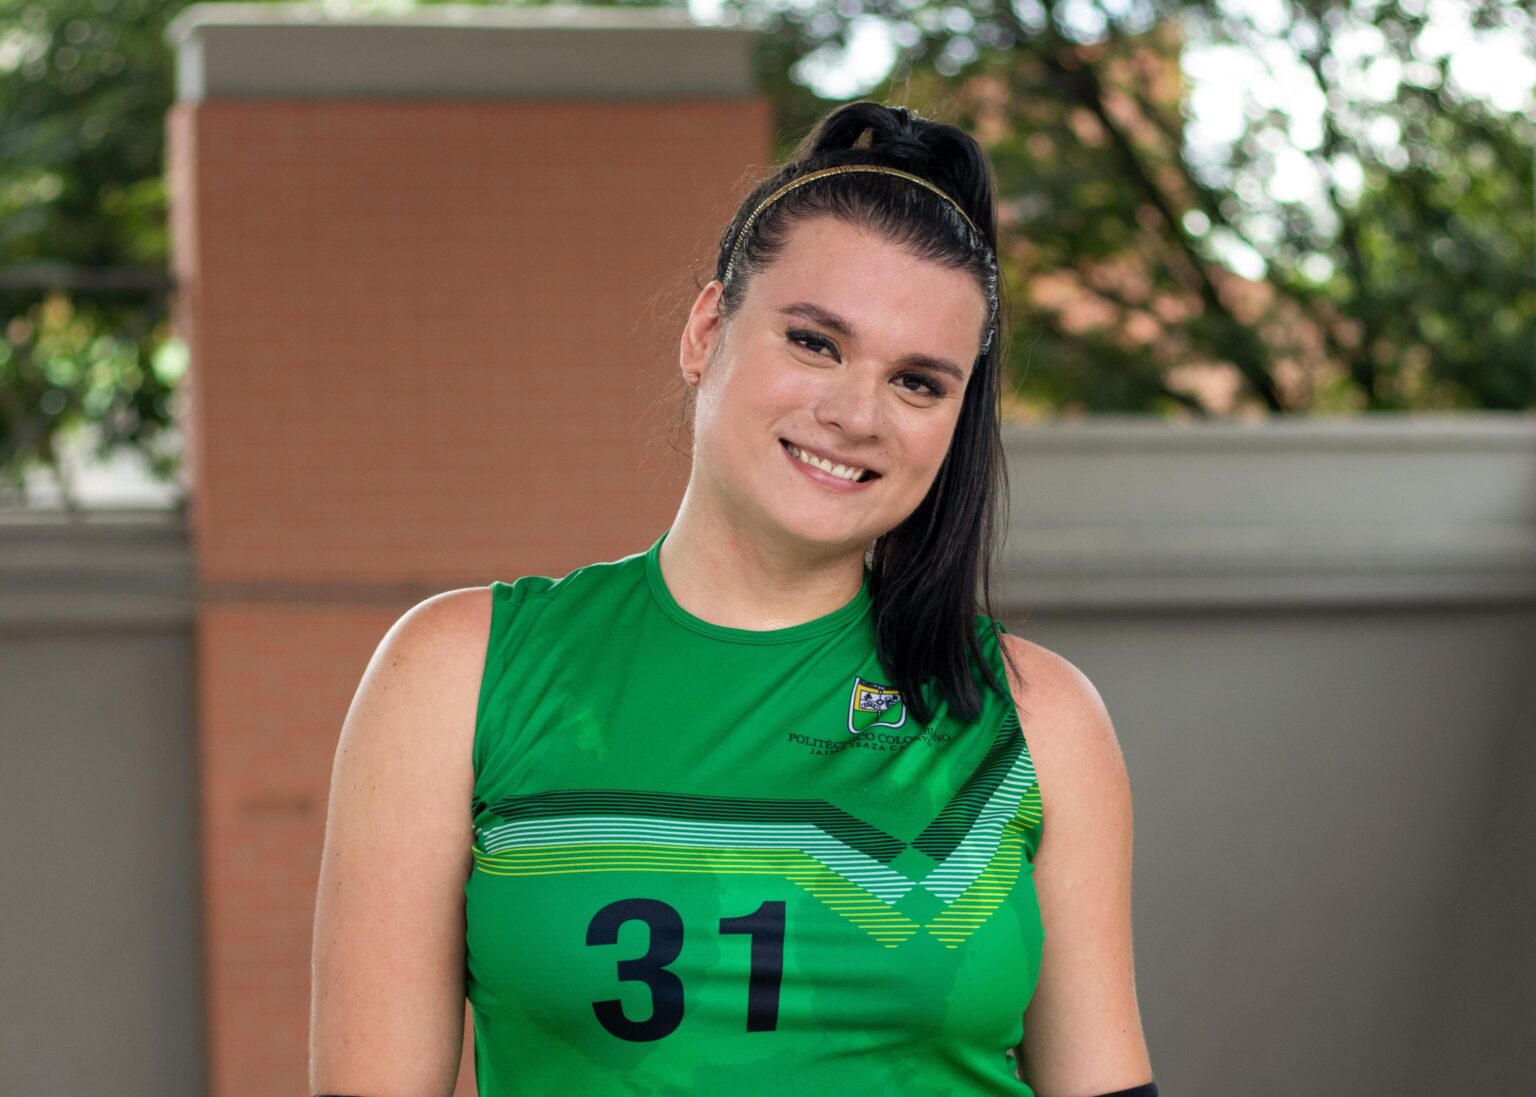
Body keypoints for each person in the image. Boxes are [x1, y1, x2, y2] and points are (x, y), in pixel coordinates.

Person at [310, 100, 1155, 1097]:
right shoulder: (459, 671)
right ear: (708, 328)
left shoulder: (1036, 715)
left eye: (920, 382)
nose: (854, 414)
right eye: (815, 343)